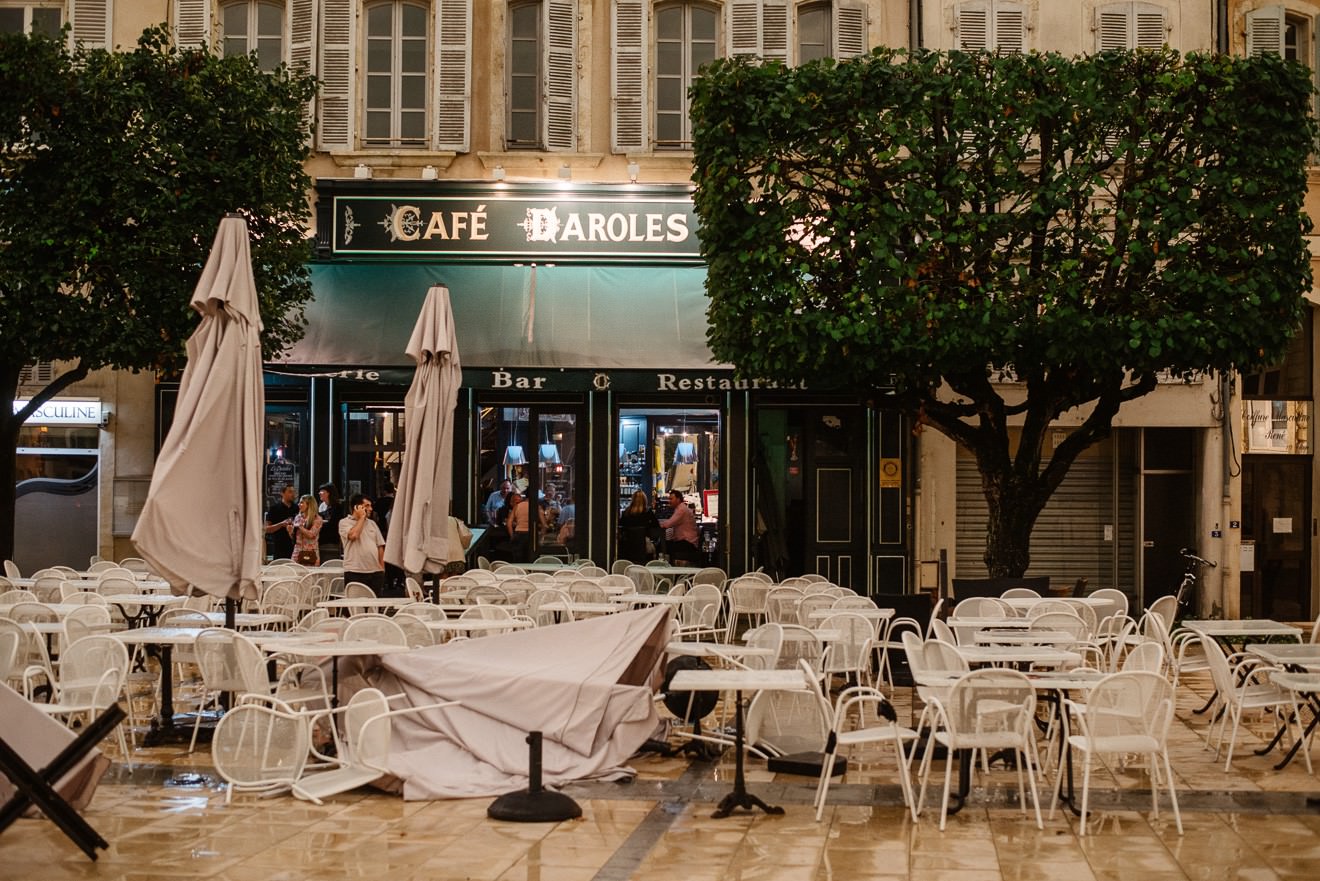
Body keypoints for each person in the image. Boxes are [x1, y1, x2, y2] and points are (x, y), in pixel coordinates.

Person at [339, 494, 386, 595]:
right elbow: (354, 535)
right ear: (357, 507)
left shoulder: (372, 524)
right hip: (354, 571)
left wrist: (381, 568)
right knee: (354, 605)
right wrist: (362, 518)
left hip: (375, 571)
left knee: (375, 605)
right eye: (367, 506)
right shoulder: (344, 522)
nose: (371, 509)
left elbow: (380, 546)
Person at [658, 489, 701, 566]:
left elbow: (669, 524)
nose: (669, 501)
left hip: (688, 543)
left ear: (678, 499)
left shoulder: (681, 510)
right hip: (688, 542)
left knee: (661, 546)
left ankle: (667, 569)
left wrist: (658, 525)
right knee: (664, 545)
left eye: (671, 499)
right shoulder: (681, 508)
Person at [618, 490, 659, 563]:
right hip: (644, 549)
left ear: (632, 500)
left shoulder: (626, 513)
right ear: (644, 500)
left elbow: (621, 527)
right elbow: (656, 527)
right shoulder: (648, 512)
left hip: (627, 548)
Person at [507, 489, 548, 562]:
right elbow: (544, 525)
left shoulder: (517, 506)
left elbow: (509, 523)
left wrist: (512, 536)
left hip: (518, 533)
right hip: (532, 535)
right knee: (531, 560)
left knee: (518, 560)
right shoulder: (537, 507)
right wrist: (541, 537)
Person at [265, 484, 297, 561]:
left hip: (296, 546)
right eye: (290, 492)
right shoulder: (274, 509)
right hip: (279, 546)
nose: (293, 494)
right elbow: (267, 529)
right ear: (282, 493)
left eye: (294, 492)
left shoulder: (298, 508)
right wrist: (281, 524)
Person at [290, 494, 322, 566]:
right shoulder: (298, 517)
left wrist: (300, 527)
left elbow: (311, 535)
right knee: (295, 575)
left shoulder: (317, 519)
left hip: (311, 553)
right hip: (297, 553)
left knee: (311, 576)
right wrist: (290, 531)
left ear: (309, 505)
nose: (299, 504)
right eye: (299, 502)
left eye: (301, 502)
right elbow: (295, 538)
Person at [317, 483, 342, 560]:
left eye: (322, 491)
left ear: (328, 493)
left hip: (331, 541)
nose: (319, 493)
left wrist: (320, 522)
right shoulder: (321, 506)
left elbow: (333, 524)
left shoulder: (337, 507)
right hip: (320, 540)